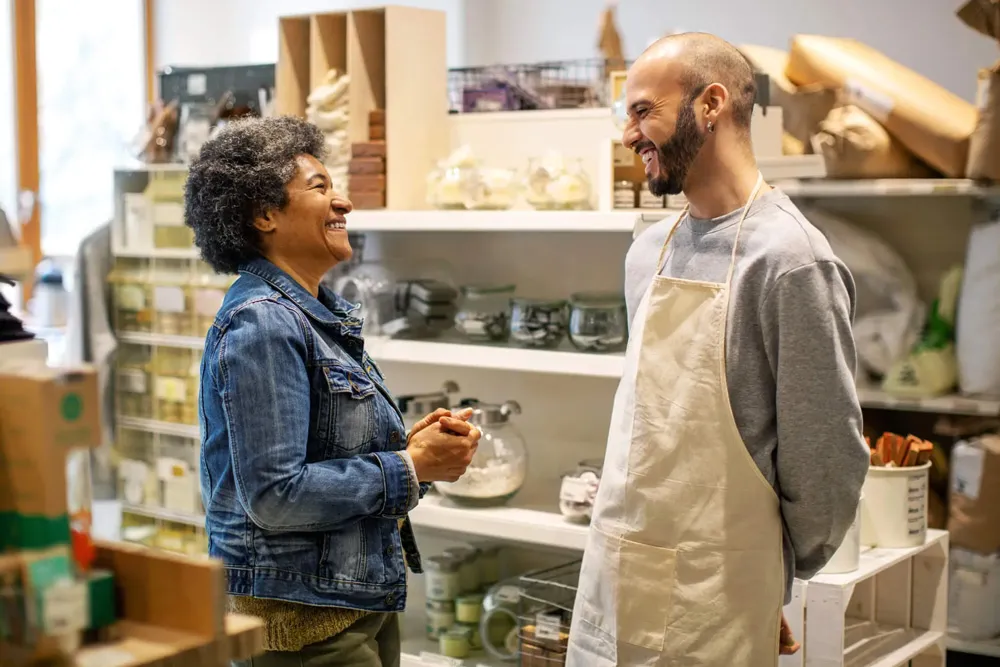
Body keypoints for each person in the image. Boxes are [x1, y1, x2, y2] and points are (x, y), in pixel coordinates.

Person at [567, 33, 869, 666]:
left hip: (718, 592)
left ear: (711, 104)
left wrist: (768, 578)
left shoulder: (790, 260)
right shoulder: (650, 249)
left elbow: (826, 458)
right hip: (617, 574)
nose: (630, 135)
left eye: (643, 110)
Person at [184, 116, 481, 667]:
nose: (342, 201)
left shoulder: (309, 316)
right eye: (319, 187)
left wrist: (413, 454)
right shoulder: (264, 323)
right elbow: (275, 496)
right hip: (301, 626)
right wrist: (409, 467)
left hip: (346, 604)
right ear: (264, 215)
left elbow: (321, 456)